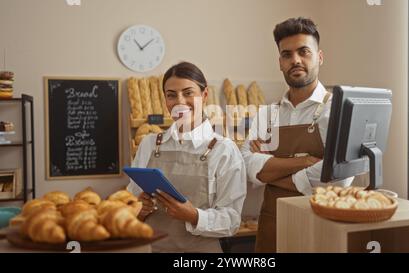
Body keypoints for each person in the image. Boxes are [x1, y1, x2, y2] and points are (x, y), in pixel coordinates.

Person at [241, 17, 353, 253]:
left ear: (319, 57)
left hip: (322, 229)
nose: (296, 60)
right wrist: (303, 162)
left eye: (304, 52)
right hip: (273, 228)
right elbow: (249, 166)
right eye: (287, 55)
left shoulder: (339, 110)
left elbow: (337, 178)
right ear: (280, 62)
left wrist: (271, 173)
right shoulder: (266, 114)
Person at [127, 61, 246, 253]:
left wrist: (194, 216)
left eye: (188, 93)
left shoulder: (224, 150)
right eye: (171, 95)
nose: (180, 102)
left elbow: (231, 220)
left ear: (204, 95)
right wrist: (138, 209)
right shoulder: (149, 144)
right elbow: (130, 202)